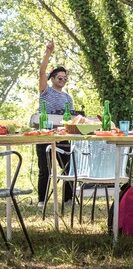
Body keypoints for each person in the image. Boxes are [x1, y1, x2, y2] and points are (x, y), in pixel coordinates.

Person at [37, 39, 73, 208]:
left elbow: (71, 119)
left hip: (63, 136)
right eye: (60, 76)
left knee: (68, 168)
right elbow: (41, 72)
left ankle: (68, 200)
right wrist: (48, 53)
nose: (63, 79)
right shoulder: (46, 91)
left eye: (66, 78)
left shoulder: (68, 98)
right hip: (44, 133)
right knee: (45, 170)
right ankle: (42, 201)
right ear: (53, 78)